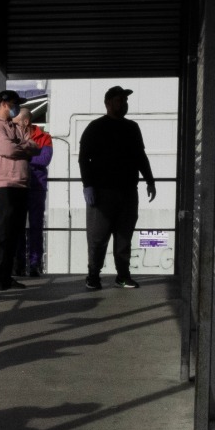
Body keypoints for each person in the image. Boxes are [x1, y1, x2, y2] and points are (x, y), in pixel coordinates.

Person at [78, 85, 157, 289]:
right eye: (120, 100)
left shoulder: (132, 127)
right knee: (97, 237)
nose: (124, 104)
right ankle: (93, 275)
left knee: (124, 236)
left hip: (128, 191)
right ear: (108, 103)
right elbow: (83, 159)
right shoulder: (95, 127)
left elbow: (140, 156)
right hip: (102, 193)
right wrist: (88, 186)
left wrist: (150, 180)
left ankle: (123, 275)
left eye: (125, 100)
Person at [0, 90, 40, 293]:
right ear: (4, 104)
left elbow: (34, 146)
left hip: (20, 183)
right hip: (3, 184)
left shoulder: (13, 126)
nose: (16, 108)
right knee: (3, 231)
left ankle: (6, 275)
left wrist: (21, 146)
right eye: (14, 104)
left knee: (15, 231)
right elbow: (8, 149)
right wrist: (24, 147)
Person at [15, 107, 55, 277]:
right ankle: (19, 263)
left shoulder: (44, 137)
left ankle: (34, 263)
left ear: (25, 121)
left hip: (36, 187)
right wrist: (30, 156)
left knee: (35, 226)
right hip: (19, 186)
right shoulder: (14, 136)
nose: (12, 124)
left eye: (16, 121)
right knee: (18, 227)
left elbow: (45, 159)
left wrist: (23, 156)